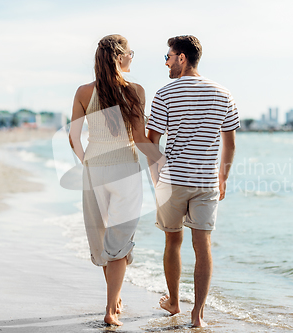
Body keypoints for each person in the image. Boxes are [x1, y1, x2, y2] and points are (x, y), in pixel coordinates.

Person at [69, 34, 164, 326]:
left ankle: (113, 298)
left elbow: (73, 138)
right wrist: (159, 169)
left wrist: (89, 162)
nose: (133, 58)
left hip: (94, 170)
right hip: (125, 170)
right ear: (121, 57)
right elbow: (140, 139)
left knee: (102, 236)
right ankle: (111, 308)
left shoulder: (84, 91)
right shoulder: (135, 90)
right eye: (131, 53)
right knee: (119, 239)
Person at [146, 35, 239, 327]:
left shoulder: (165, 93)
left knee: (173, 239)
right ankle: (197, 315)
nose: (167, 62)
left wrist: (156, 177)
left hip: (172, 181)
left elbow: (152, 141)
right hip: (206, 181)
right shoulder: (224, 93)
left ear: (182, 58)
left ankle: (174, 303)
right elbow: (230, 143)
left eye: (168, 57)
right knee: (204, 244)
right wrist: (222, 177)